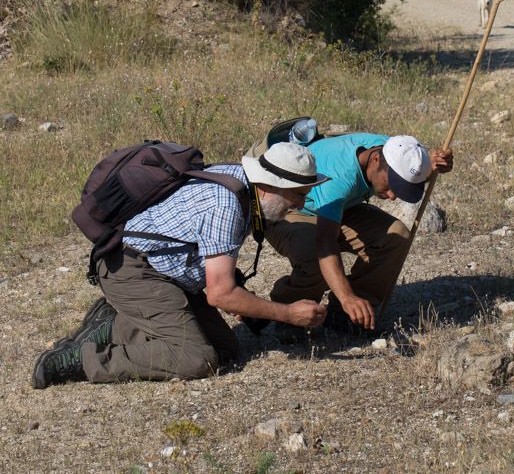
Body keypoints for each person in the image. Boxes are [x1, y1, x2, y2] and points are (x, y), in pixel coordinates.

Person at [32, 142, 329, 389]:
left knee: (226, 349)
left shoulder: (238, 181)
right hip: (134, 269)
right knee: (196, 358)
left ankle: (113, 324)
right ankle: (76, 360)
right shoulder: (225, 205)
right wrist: (288, 314)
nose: (300, 205)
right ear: (269, 186)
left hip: (162, 272)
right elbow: (220, 294)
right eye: (297, 195)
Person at [252, 133, 453, 332]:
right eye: (391, 185)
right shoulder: (338, 179)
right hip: (290, 208)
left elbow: (414, 164)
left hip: (341, 207)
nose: (392, 196)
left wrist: (431, 166)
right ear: (375, 160)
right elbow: (325, 244)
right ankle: (290, 313)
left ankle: (349, 312)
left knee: (396, 236)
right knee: (312, 252)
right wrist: (346, 295)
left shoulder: (393, 149)